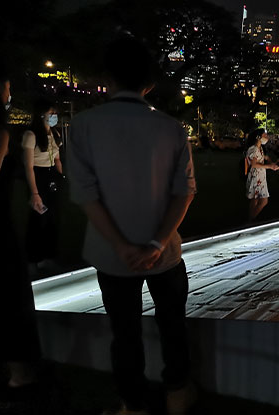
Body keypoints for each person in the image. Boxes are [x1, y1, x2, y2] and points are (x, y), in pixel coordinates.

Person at [68, 36, 197, 415]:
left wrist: (122, 247)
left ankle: (133, 404)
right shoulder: (172, 129)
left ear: (107, 77)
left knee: (124, 333)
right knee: (172, 325)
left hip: (111, 255)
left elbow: (85, 194)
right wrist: (156, 243)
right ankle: (177, 393)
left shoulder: (83, 125)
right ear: (150, 84)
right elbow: (184, 193)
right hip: (166, 254)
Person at [0, 67, 41, 412]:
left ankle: (19, 372)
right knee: (6, 301)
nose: (10, 94)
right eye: (7, 87)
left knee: (6, 302)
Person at [22, 99, 63, 275]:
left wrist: (61, 176)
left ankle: (47, 258)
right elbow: (28, 166)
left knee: (51, 219)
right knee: (38, 219)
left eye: (55, 113)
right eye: (50, 113)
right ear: (41, 115)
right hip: (38, 177)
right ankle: (33, 260)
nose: (54, 116)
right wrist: (35, 193)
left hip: (52, 176)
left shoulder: (54, 134)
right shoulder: (31, 135)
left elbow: (57, 159)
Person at [246, 128, 279, 220]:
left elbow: (264, 157)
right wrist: (269, 166)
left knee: (255, 199)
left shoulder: (259, 148)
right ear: (258, 137)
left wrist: (271, 162)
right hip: (256, 178)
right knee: (264, 200)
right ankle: (251, 220)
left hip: (260, 177)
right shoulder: (253, 149)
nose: (267, 137)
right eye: (265, 135)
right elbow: (253, 164)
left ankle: (250, 220)